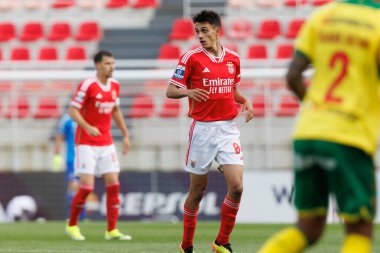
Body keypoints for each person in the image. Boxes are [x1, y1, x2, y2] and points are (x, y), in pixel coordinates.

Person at [257, 1, 380, 253]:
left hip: (308, 130)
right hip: (349, 135)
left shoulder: (321, 17)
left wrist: (319, 110)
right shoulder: (376, 23)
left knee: (308, 227)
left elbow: (292, 76)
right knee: (359, 228)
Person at [166, 9, 254, 253]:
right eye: (197, 31)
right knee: (197, 192)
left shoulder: (233, 59)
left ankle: (221, 242)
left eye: (204, 30)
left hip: (228, 129)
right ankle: (186, 245)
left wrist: (245, 100)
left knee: (237, 187)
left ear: (218, 30)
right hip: (202, 132)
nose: (200, 36)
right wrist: (188, 92)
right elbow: (171, 90)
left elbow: (232, 91)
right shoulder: (190, 58)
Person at [65, 50, 132, 241]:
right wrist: (87, 126)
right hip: (85, 142)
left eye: (113, 63)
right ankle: (72, 226)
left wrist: (126, 135)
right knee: (86, 187)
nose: (112, 66)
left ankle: (111, 230)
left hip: (106, 142)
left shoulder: (115, 85)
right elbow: (72, 110)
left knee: (113, 184)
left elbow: (115, 110)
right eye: (107, 63)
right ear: (97, 65)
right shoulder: (88, 85)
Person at [53, 113, 86, 220]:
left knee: (84, 186)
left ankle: (82, 216)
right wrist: (57, 154)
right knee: (74, 185)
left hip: (86, 157)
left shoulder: (87, 115)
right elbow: (59, 135)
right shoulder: (67, 118)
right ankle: (73, 215)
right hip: (72, 158)